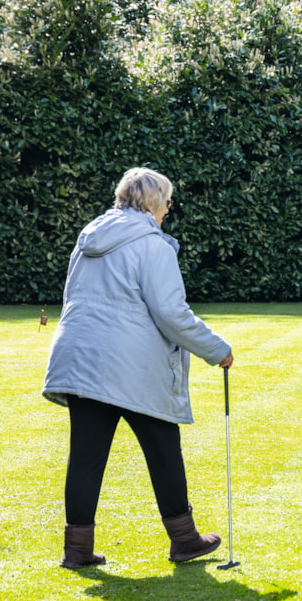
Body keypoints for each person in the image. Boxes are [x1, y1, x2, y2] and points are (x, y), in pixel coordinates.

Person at [43, 167, 234, 569]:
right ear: (151, 203)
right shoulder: (153, 245)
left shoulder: (88, 237)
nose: (169, 209)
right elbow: (171, 313)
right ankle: (184, 540)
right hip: (129, 364)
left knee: (85, 456)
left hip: (80, 357)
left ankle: (76, 551)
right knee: (164, 449)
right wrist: (217, 349)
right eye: (167, 201)